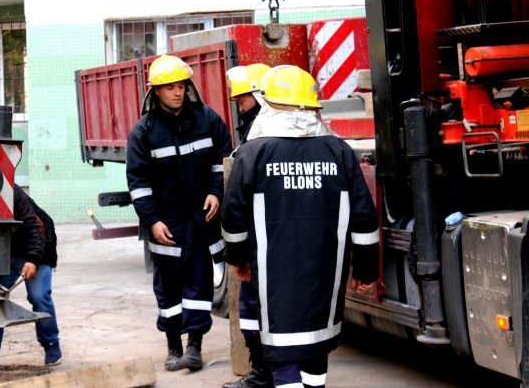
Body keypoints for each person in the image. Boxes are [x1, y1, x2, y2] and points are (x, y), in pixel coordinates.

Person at [221, 65, 379, 388]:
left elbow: (233, 218)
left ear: (271, 105)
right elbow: (365, 220)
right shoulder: (340, 152)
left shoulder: (253, 153)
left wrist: (239, 259)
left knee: (283, 350)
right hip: (324, 276)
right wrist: (366, 270)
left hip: (273, 276)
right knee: (315, 345)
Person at [126, 54, 232, 372]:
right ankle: (173, 347)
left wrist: (216, 192)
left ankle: (194, 348)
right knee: (168, 289)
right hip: (166, 225)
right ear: (155, 92)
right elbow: (139, 184)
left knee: (199, 287)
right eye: (170, 87)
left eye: (181, 86)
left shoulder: (207, 119)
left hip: (200, 222)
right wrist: (152, 221)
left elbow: (223, 159)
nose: (177, 92)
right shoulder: (143, 133)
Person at [0, 187, 61, 378]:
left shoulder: (11, 193)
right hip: (3, 252)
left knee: (38, 295)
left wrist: (33, 259)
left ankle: (50, 342)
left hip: (37, 246)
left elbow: (35, 228)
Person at [221, 63, 273, 388]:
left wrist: (240, 256)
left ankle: (264, 377)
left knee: (254, 307)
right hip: (272, 242)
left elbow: (240, 205)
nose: (240, 110)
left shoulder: (258, 143)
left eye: (242, 102)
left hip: (263, 243)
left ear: (260, 96)